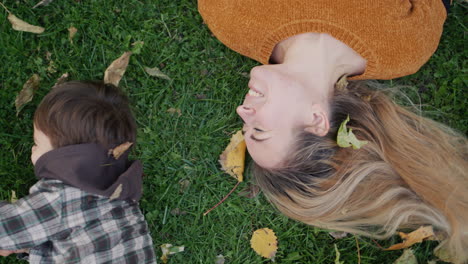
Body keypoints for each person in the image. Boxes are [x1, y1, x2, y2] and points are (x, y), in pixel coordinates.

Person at [198, 0, 468, 263]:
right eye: (258, 129)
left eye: (244, 127)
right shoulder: (404, 46)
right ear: (317, 120)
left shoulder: (231, 17)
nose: (241, 111)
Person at [0, 81, 156, 263]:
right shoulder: (123, 194)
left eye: (37, 144)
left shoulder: (60, 198)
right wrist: (28, 247)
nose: (33, 150)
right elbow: (81, 246)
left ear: (63, 157)